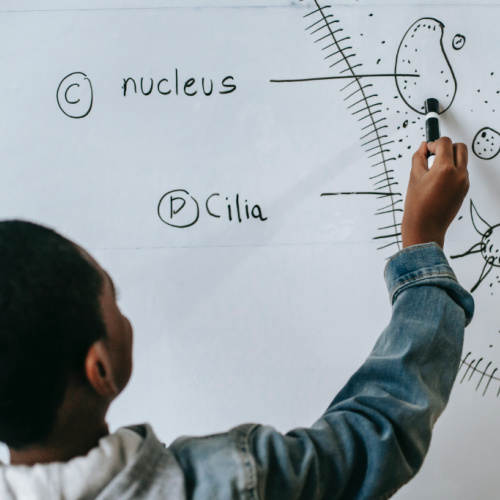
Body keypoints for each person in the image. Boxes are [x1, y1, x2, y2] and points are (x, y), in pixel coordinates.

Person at [0, 137, 472, 499]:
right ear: (99, 368)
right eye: (114, 298)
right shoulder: (226, 479)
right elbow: (376, 435)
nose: (124, 310)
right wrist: (422, 244)